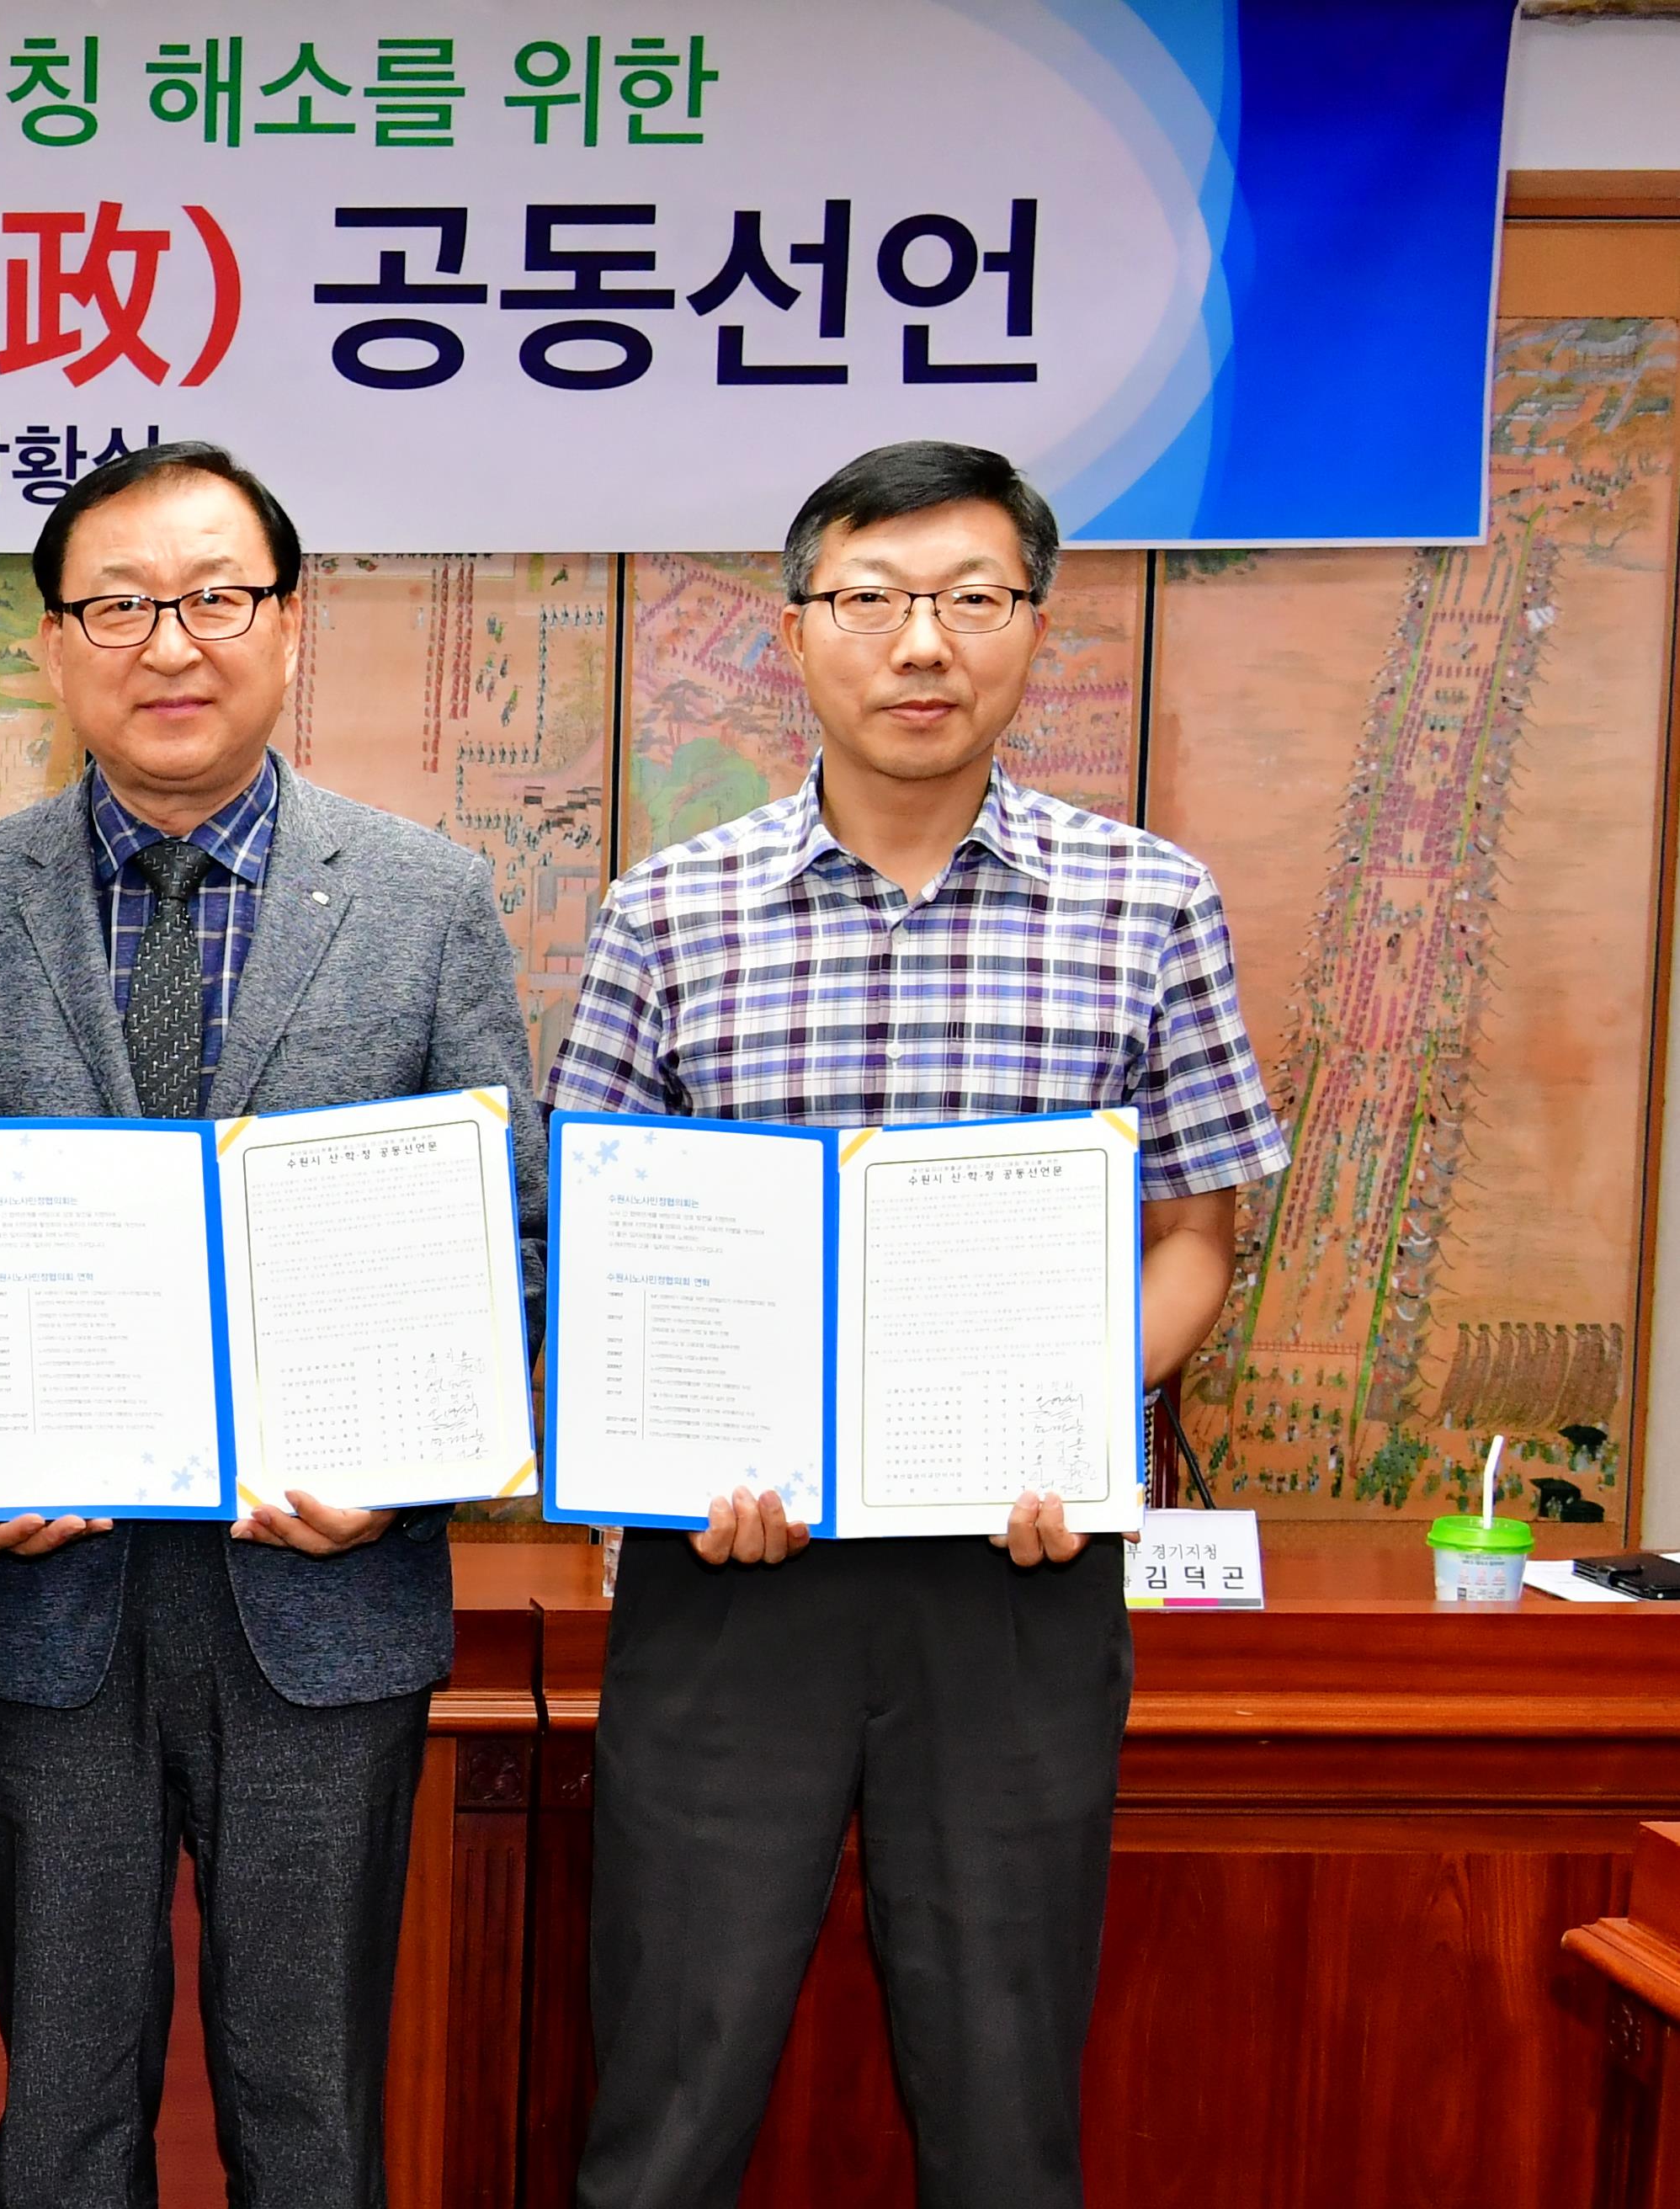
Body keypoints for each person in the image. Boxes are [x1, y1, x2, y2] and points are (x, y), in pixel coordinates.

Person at [549, 439, 1287, 2209]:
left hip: (1016, 1575)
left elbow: (1195, 1238)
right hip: (733, 1578)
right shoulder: (669, 913)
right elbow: (598, 1247)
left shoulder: (1147, 904)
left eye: (970, 598)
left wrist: (1068, 1411)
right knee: (665, 2099)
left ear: (1033, 626)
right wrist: (676, 1458)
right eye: (870, 600)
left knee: (1003, 2108)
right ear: (795, 634)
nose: (920, 643)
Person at [0, 440, 544, 2209]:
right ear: (51, 645)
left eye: (213, 599)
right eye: (116, 607)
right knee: (63, 2115)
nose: (167, 644)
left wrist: (410, 1473)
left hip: (325, 1598)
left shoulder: (424, 898)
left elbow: (507, 1237)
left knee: (308, 2111)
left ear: (287, 624)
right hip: (51, 1598)